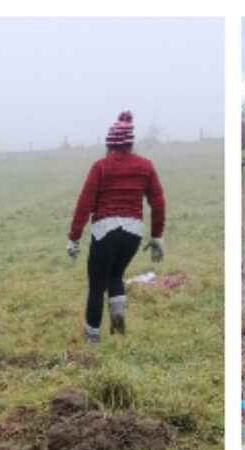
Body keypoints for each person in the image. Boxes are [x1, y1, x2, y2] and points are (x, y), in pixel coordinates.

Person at [65, 111, 165, 342]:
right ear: (130, 142)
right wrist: (157, 235)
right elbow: (158, 201)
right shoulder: (145, 166)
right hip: (133, 233)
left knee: (97, 285)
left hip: (105, 231)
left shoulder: (100, 167)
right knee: (116, 275)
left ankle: (92, 339)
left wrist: (74, 237)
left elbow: (85, 203)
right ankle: (118, 321)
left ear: (110, 142)